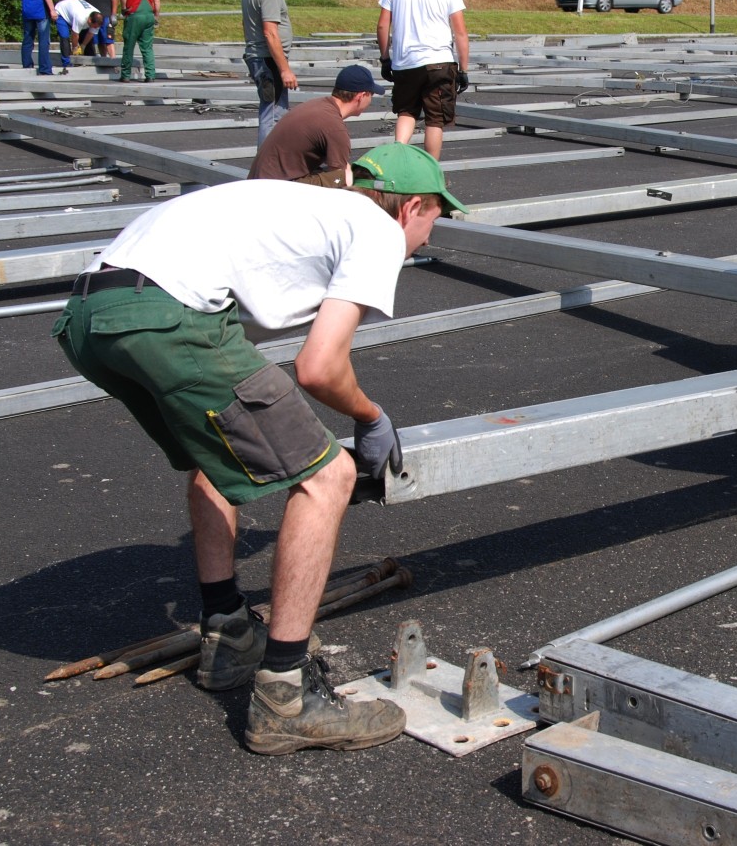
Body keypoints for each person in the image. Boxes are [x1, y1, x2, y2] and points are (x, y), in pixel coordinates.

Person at [52, 143, 468, 754]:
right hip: (165, 312)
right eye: (435, 218)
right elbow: (318, 367)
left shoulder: (304, 209)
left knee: (216, 452)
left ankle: (229, 636)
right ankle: (285, 697)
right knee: (329, 477)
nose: (429, 237)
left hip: (91, 312)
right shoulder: (376, 229)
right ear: (411, 207)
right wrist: (371, 417)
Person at [376, 0, 470, 161]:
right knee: (435, 119)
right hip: (439, 61)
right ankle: (430, 171)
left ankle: (397, 160)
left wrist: (385, 58)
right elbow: (460, 32)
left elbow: (382, 25)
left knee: (406, 112)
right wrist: (463, 69)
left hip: (405, 61)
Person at [246, 65, 386, 186]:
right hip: (274, 190)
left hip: (258, 181)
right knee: (347, 178)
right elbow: (343, 175)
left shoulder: (318, 105)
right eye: (371, 94)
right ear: (361, 96)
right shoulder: (334, 128)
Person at [242, 0, 299, 146]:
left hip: (261, 57)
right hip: (268, 60)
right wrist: (285, 70)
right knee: (274, 115)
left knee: (273, 112)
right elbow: (270, 33)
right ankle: (268, 162)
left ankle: (272, 160)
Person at [117, 0, 160, 82]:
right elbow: (156, 0)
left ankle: (126, 75)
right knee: (147, 48)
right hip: (149, 16)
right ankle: (150, 75)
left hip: (134, 16)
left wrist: (124, 8)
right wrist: (156, 16)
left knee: (129, 46)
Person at [53, 0, 104, 72]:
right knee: (64, 36)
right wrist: (75, 48)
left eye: (96, 27)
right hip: (62, 12)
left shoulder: (98, 18)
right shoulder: (81, 17)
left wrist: (83, 46)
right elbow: (75, 34)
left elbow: (91, 33)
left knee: (87, 38)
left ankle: (88, 60)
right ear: (89, 20)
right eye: (94, 26)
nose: (95, 28)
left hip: (74, 12)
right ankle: (67, 63)